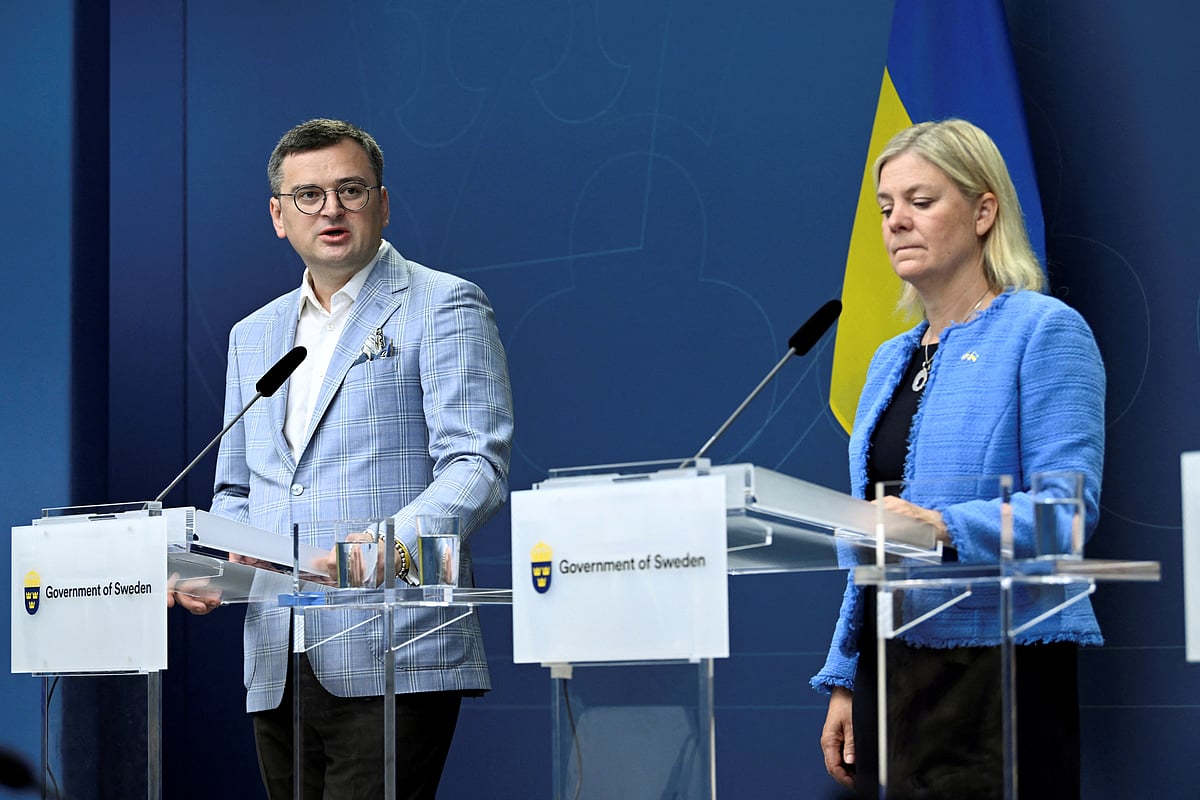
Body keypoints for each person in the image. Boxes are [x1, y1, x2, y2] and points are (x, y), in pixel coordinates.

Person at [173, 118, 514, 799]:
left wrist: (373, 552)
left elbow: (477, 467)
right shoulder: (253, 335)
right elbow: (238, 486)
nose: (330, 209)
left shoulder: (443, 305)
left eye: (349, 189)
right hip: (276, 650)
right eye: (308, 195)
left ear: (382, 204)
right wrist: (214, 560)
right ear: (278, 215)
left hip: (392, 639)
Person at [810, 119, 1105, 799]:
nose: (896, 223)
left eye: (921, 201)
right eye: (886, 208)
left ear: (982, 211)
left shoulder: (1045, 332)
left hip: (1001, 668)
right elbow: (874, 537)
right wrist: (845, 675)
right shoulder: (890, 361)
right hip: (895, 667)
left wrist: (942, 530)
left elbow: (1067, 514)